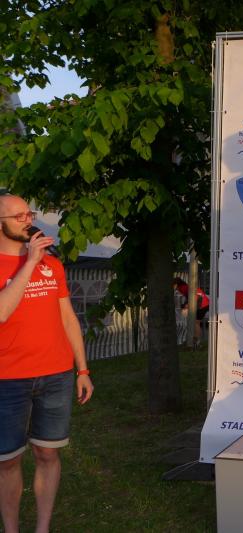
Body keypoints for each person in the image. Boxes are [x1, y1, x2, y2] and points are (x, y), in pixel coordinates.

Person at [0, 194, 93, 533]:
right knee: (7, 461)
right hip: (8, 379)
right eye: (18, 216)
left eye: (30, 213)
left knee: (48, 454)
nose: (28, 220)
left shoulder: (52, 265)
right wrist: (29, 263)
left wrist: (82, 369)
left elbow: (68, 318)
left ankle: (43, 528)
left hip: (56, 375)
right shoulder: (25, 262)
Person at [173, 277, 210, 346]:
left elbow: (191, 297)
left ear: (176, 284)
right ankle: (195, 340)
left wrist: (186, 305)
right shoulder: (185, 286)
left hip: (201, 304)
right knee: (196, 322)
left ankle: (196, 341)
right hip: (204, 303)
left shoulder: (182, 288)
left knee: (196, 322)